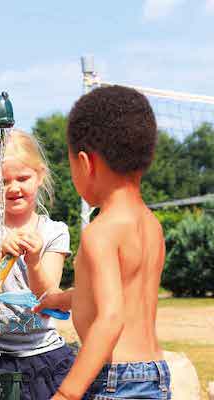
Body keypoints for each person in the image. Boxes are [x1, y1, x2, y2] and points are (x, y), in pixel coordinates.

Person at [35, 85, 171, 400]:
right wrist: (62, 298)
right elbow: (122, 295)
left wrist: (67, 393)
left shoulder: (101, 231)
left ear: (86, 163)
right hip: (155, 376)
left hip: (117, 380)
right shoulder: (151, 225)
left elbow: (111, 317)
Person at [0, 129, 75, 400]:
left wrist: (34, 260)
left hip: (44, 358)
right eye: (3, 181)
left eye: (23, 178)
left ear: (40, 176)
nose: (13, 188)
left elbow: (49, 297)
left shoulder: (54, 231)